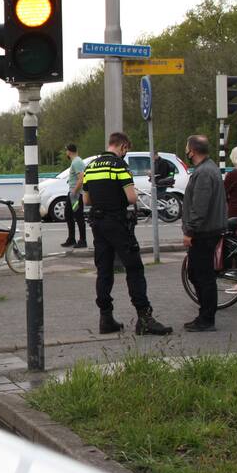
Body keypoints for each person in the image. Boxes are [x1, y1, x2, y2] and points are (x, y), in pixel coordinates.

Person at [82, 133, 173, 336]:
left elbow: (87, 200)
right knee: (134, 268)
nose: (126, 153)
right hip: (118, 223)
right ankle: (144, 318)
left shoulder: (91, 167)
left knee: (104, 270)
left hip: (98, 224)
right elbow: (131, 198)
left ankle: (106, 318)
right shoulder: (119, 166)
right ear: (122, 147)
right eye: (127, 150)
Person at [181, 135, 228, 332]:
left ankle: (207, 318)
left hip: (203, 231)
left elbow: (200, 206)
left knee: (202, 275)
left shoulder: (203, 173)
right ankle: (205, 314)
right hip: (209, 229)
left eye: (187, 147)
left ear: (192, 150)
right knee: (197, 273)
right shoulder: (210, 168)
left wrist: (190, 230)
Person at [61, 143, 88, 248]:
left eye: (66, 151)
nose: (66, 153)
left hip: (75, 194)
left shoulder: (77, 162)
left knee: (78, 216)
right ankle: (71, 238)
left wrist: (74, 192)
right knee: (68, 215)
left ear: (69, 151)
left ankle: (82, 240)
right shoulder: (76, 161)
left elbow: (81, 178)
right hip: (73, 193)